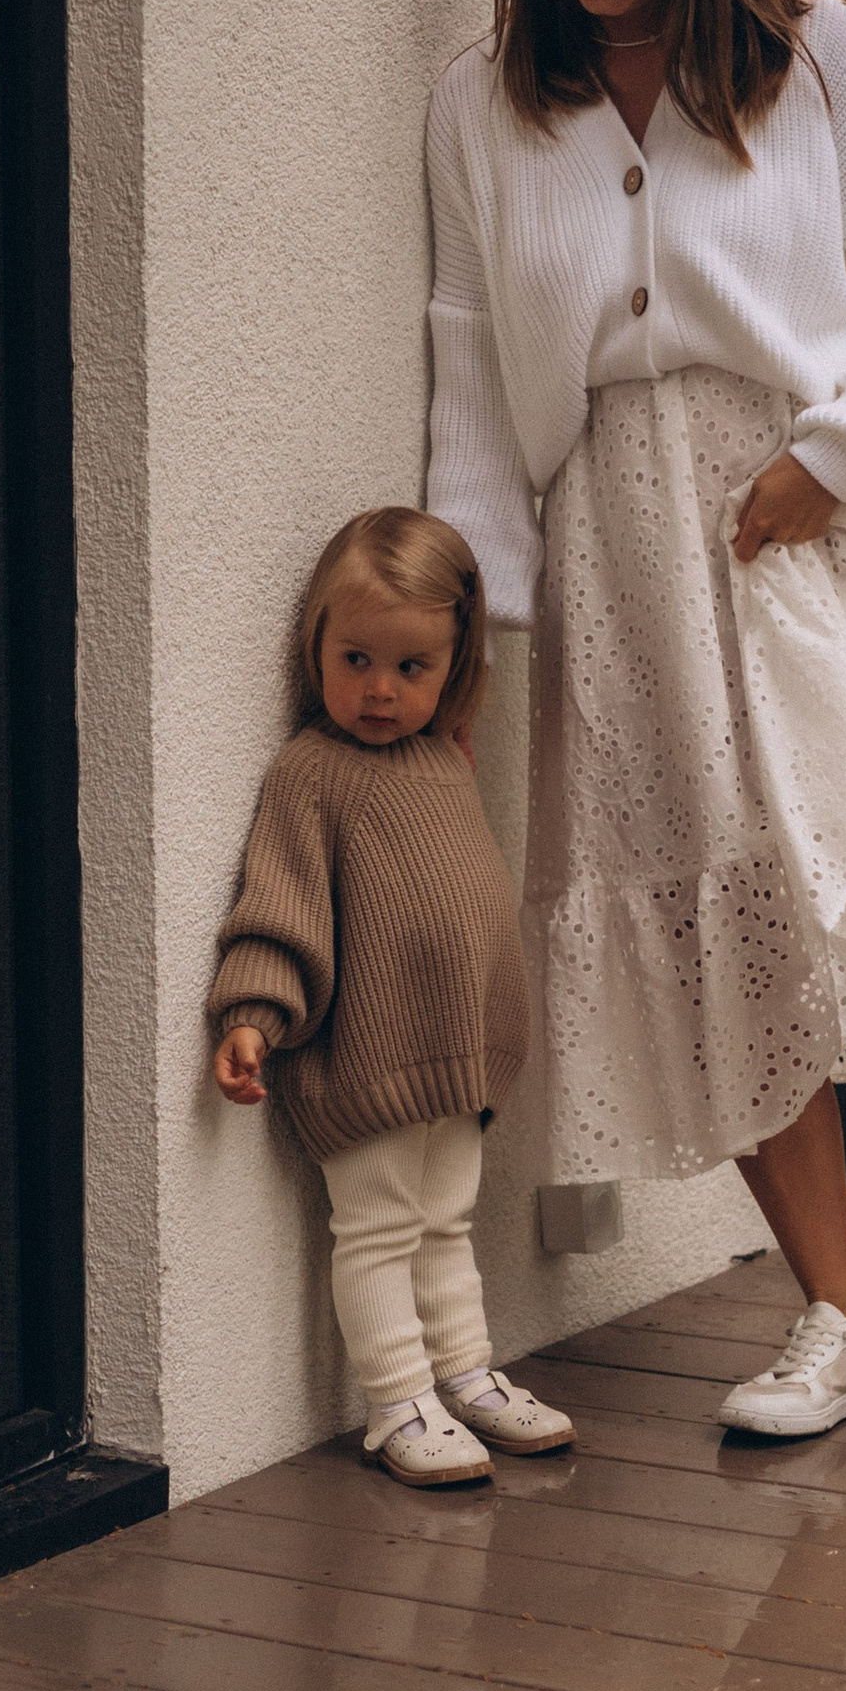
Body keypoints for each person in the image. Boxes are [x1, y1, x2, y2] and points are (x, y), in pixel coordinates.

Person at [425, 0, 846, 1453]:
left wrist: (835, 459)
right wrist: (484, 608)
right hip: (617, 540)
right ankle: (837, 1317)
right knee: (716, 925)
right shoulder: (483, 98)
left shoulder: (816, 55)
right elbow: (470, 360)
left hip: (806, 514)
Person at [208, 506, 576, 1488]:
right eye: (356, 659)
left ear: (453, 670)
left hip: (454, 1055)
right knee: (374, 1228)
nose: (379, 689)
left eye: (411, 669)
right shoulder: (310, 774)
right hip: (367, 1060)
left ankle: (464, 1372)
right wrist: (251, 1014)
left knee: (447, 1219)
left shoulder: (442, 758)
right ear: (314, 647)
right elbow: (278, 907)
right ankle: (395, 1399)